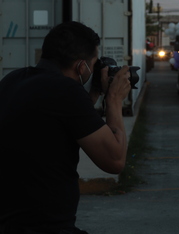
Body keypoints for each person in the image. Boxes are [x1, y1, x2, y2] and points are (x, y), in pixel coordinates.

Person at [0, 22, 131, 234]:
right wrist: (114, 99)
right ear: (82, 67)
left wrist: (93, 95)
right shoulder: (66, 92)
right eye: (93, 64)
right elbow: (114, 161)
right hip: (46, 226)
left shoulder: (12, 80)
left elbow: (62, 121)